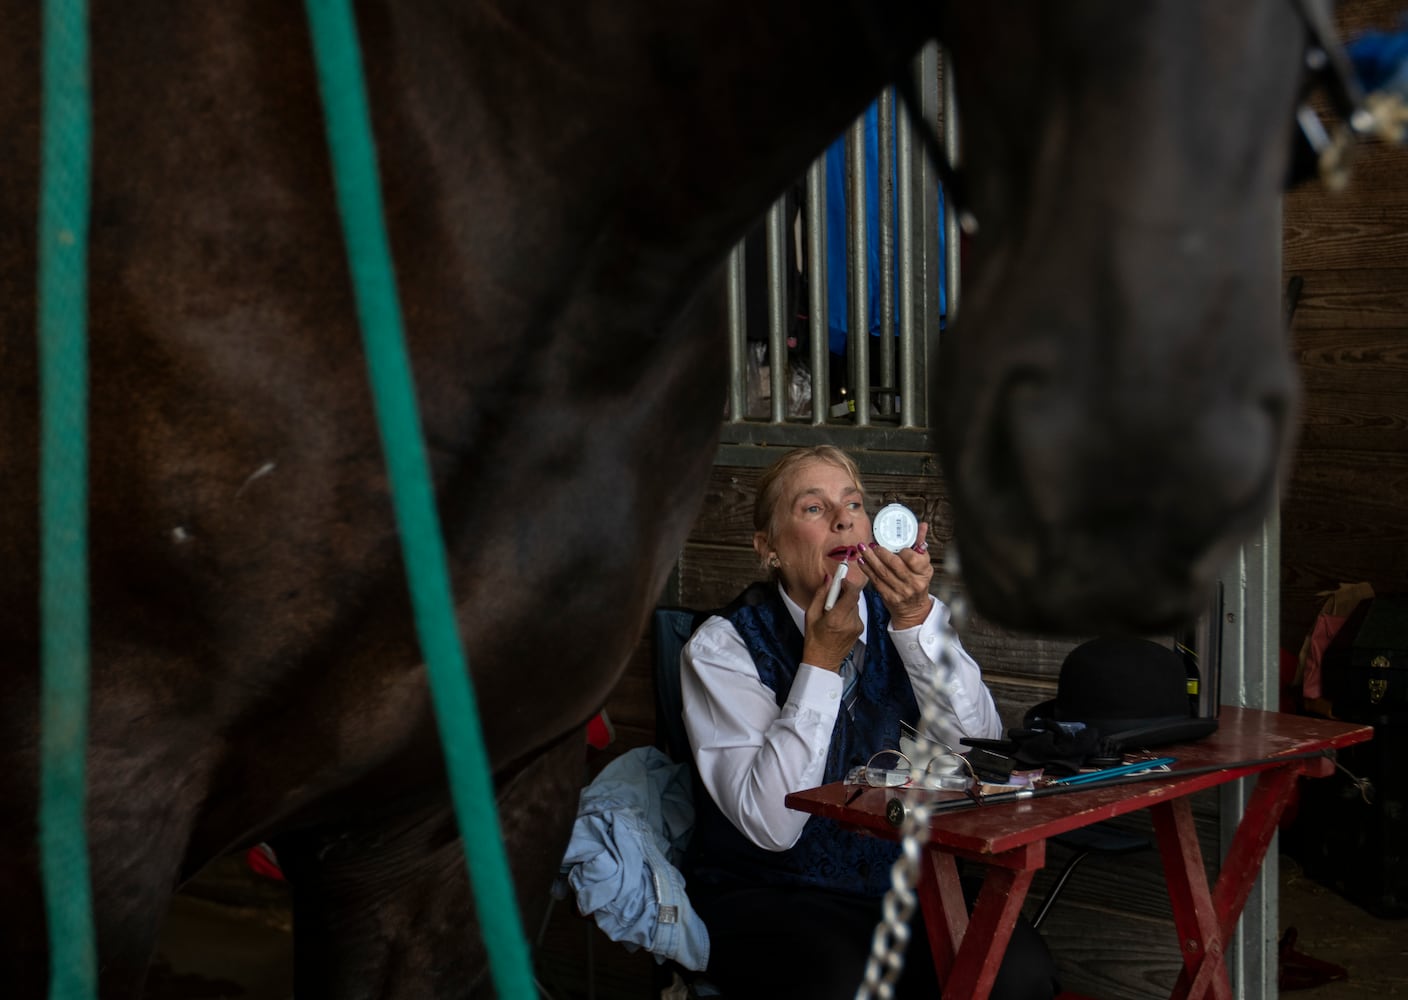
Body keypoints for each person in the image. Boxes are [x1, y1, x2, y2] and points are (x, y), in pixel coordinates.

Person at [680, 444, 1058, 999]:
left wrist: (914, 622)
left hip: (904, 882)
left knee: (1016, 972)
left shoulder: (905, 615)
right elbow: (772, 826)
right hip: (770, 889)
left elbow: (981, 754)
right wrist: (820, 662)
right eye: (813, 509)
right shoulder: (724, 647)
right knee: (842, 983)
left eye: (852, 505)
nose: (841, 518)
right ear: (769, 549)